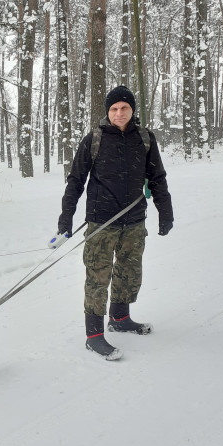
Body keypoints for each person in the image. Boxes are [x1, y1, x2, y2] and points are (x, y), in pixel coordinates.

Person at [57, 86, 173, 360]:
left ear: (132, 110)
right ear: (107, 112)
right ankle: (94, 335)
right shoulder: (94, 139)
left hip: (134, 222)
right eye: (113, 109)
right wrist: (66, 218)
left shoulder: (145, 139)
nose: (119, 113)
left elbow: (158, 177)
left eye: (124, 108)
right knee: (97, 278)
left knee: (129, 273)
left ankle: (120, 318)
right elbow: (75, 181)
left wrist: (165, 211)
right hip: (101, 222)